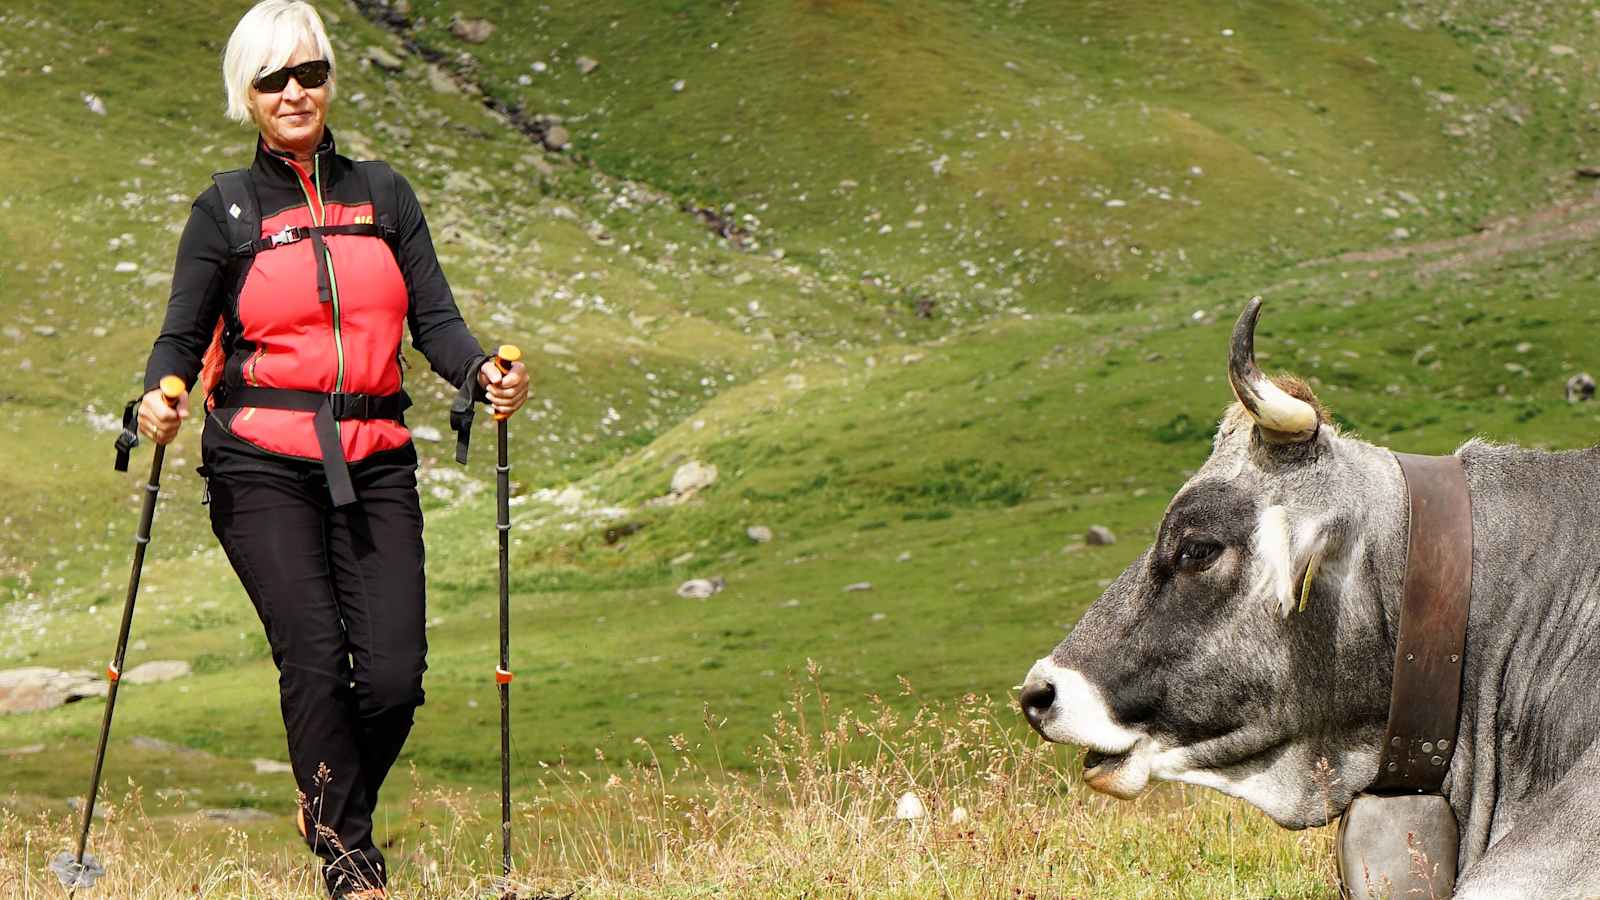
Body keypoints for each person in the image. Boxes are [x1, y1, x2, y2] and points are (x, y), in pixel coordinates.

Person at [133, 2, 528, 896]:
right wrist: (155, 403)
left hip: (376, 455)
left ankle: (325, 802)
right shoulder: (224, 209)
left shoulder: (384, 194)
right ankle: (353, 868)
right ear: (247, 94)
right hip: (259, 462)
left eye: (309, 72)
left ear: (330, 79)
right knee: (313, 656)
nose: (295, 91)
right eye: (273, 78)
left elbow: (438, 324)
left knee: (393, 677)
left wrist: (481, 376)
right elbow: (176, 343)